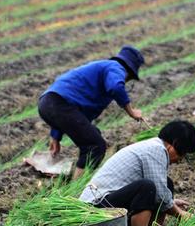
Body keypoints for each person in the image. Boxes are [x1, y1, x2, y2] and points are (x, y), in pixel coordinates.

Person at [79, 120, 195, 226]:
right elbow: (159, 193)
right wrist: (180, 213)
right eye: (182, 154)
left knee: (165, 184)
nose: (179, 160)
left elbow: (162, 191)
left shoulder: (153, 146)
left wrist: (171, 203)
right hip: (94, 209)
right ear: (174, 144)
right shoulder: (156, 149)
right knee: (147, 187)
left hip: (107, 204)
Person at [38, 45, 145, 178]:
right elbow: (116, 88)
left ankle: (77, 177)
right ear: (129, 71)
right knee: (95, 146)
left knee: (94, 134)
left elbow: (75, 113)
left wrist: (55, 137)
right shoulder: (115, 67)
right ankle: (76, 189)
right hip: (58, 103)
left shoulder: (103, 70)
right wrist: (131, 111)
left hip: (47, 103)